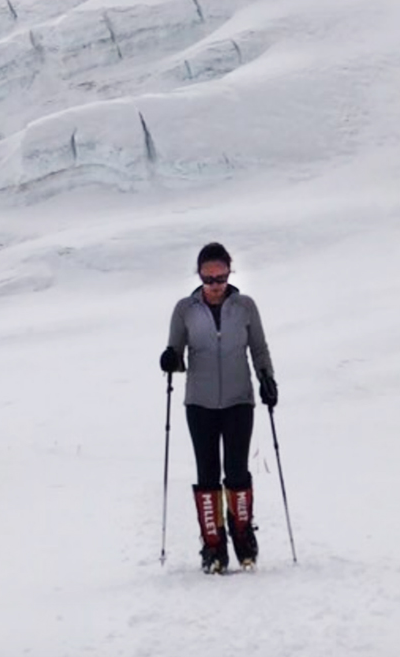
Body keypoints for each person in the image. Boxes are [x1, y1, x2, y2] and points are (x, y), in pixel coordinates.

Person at [159, 242, 278, 573]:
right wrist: (170, 360)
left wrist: (267, 379)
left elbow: (259, 349)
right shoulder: (185, 309)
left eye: (221, 277)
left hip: (239, 400)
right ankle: (213, 546)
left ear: (229, 273)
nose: (214, 285)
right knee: (207, 474)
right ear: (198, 275)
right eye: (208, 278)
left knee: (237, 472)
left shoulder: (245, 307)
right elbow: (176, 355)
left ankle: (243, 539)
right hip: (199, 403)